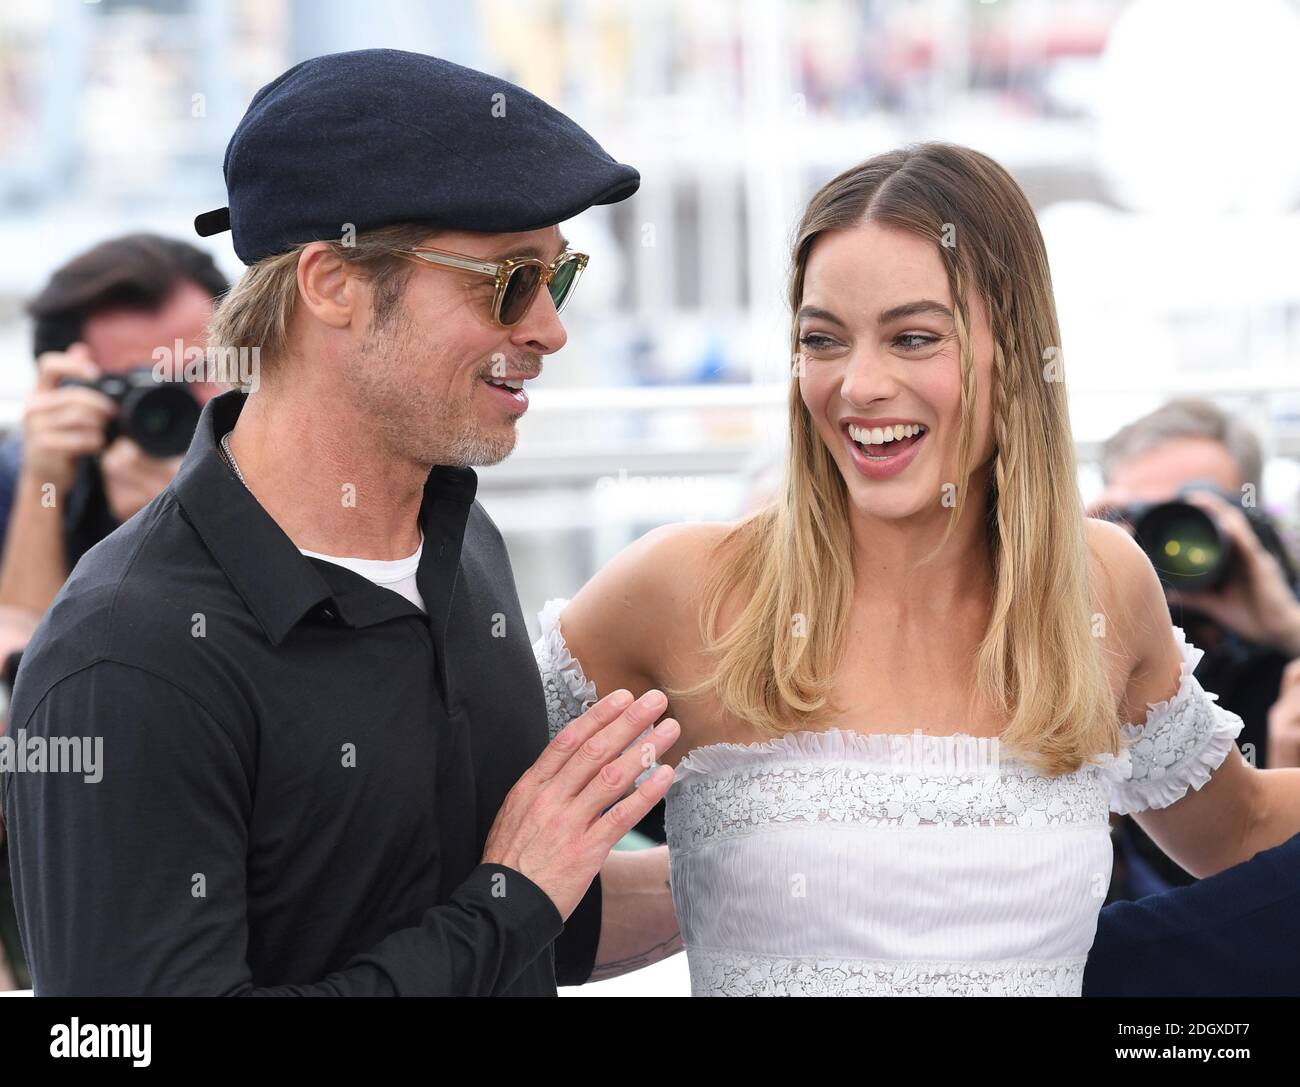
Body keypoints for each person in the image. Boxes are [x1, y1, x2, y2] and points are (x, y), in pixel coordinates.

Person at [532, 141, 1300, 996]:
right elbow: (441, 833)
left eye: (913, 337)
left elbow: (1243, 827)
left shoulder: (1101, 587)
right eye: (823, 339)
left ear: (1014, 347)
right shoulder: (680, 589)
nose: (860, 384)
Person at [2, 48, 682, 996]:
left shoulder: (461, 547)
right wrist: (509, 897)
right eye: (507, 282)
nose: (548, 328)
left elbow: (527, 931)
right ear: (331, 284)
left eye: (556, 278)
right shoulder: (127, 654)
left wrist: (753, 865)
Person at [1088, 398, 1300, 898]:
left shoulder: (1280, 631)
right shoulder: (1090, 628)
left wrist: (1286, 628)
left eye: (1189, 515)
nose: (1164, 545)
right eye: (1141, 517)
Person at [0, 234, 229, 618]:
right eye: (143, 384)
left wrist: (194, 520)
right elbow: (19, 647)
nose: (177, 403)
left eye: (199, 370)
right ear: (69, 386)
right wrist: (43, 486)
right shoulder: (22, 475)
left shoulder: (279, 460)